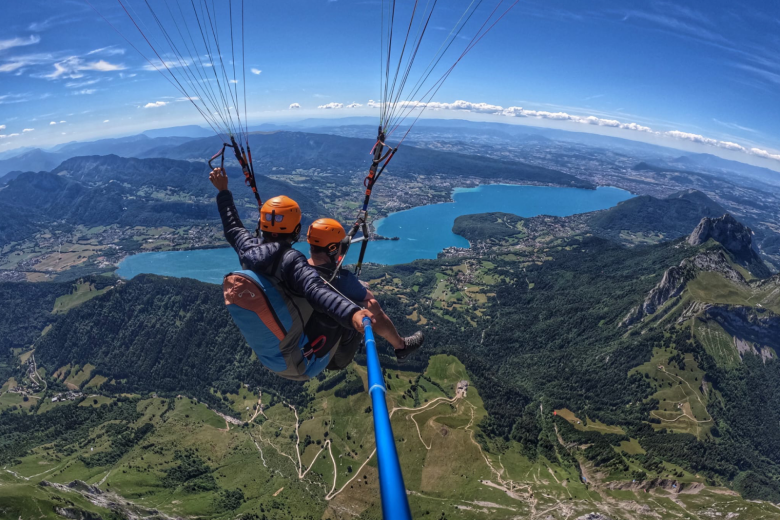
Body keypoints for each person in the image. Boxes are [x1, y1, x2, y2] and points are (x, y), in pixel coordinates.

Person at [209, 168, 374, 348]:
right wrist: (352, 313)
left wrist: (223, 190)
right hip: (299, 354)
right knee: (353, 310)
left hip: (270, 340)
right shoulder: (292, 260)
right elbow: (316, 290)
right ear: (296, 231)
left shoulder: (246, 248)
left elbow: (232, 226)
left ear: (261, 225)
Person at [306, 218, 424, 366]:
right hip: (333, 354)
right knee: (371, 305)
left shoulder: (299, 271)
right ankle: (401, 346)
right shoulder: (341, 279)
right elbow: (369, 298)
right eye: (340, 245)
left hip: (304, 343)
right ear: (332, 248)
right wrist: (358, 287)